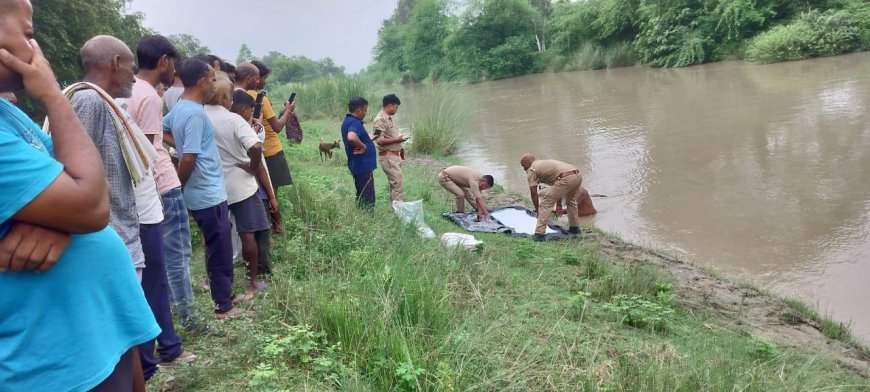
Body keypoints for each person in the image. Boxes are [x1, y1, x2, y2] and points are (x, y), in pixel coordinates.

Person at [0, 1, 158, 389]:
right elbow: (88, 199)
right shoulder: (84, 99)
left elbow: (74, 178)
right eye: (28, 34)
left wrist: (62, 222)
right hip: (50, 363)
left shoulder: (8, 114)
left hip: (94, 334)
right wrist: (51, 95)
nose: (35, 48)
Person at [69, 35, 195, 378]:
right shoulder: (89, 101)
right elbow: (76, 166)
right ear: (114, 64)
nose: (133, 74)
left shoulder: (104, 101)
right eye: (128, 65)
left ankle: (144, 371)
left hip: (121, 222)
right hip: (110, 227)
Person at [123, 35, 208, 334]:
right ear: (163, 61)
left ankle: (168, 313)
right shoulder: (149, 96)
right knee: (177, 254)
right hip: (162, 185)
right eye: (173, 63)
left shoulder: (129, 91)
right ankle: (188, 317)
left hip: (141, 191)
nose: (174, 70)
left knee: (159, 258)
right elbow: (144, 152)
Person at [163, 58, 243, 319]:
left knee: (215, 245)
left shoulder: (180, 107)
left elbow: (158, 130)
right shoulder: (195, 114)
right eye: (211, 79)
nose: (213, 85)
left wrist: (180, 144)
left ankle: (224, 295)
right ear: (201, 81)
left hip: (202, 193)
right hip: (207, 193)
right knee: (220, 249)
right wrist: (178, 185)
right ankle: (223, 306)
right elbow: (189, 158)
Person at [205, 77, 274, 299]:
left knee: (214, 235)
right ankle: (251, 283)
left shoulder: (197, 116)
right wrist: (253, 167)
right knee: (247, 234)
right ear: (226, 97)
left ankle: (210, 281)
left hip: (212, 185)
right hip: (240, 184)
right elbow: (256, 146)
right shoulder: (233, 120)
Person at [231, 89, 277, 276]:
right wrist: (272, 195)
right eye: (251, 111)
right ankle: (261, 272)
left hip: (236, 187)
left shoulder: (227, 124)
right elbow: (257, 157)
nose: (253, 115)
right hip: (251, 187)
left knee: (242, 230)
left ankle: (249, 267)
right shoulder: (239, 127)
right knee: (259, 229)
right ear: (243, 110)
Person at [249, 60, 294, 191]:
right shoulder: (261, 98)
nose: (264, 82)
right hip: (270, 151)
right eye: (264, 78)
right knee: (272, 194)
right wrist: (288, 111)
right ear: (256, 78)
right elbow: (277, 127)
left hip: (250, 151)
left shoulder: (238, 95)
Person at [520, 153, 583, 241]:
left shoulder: (532, 169)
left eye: (523, 165)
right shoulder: (542, 164)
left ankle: (539, 234)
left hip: (565, 178)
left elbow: (533, 192)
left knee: (545, 203)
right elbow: (557, 182)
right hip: (577, 175)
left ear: (527, 162)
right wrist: (559, 204)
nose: (524, 168)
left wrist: (538, 210)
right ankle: (574, 228)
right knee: (571, 201)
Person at [341, 97, 377, 210]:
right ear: (358, 110)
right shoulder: (354, 122)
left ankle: (361, 215)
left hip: (358, 165)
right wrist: (363, 146)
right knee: (367, 197)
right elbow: (351, 137)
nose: (365, 113)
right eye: (365, 110)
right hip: (362, 166)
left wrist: (366, 138)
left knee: (361, 194)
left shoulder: (348, 120)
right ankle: (368, 217)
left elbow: (354, 136)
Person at [374, 94, 409, 203]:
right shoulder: (380, 120)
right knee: (397, 184)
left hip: (393, 157)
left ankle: (395, 207)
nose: (396, 110)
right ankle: (399, 210)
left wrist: (399, 140)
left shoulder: (388, 118)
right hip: (388, 157)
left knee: (395, 184)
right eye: (396, 107)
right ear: (390, 105)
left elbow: (388, 136)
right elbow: (379, 140)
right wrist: (398, 139)